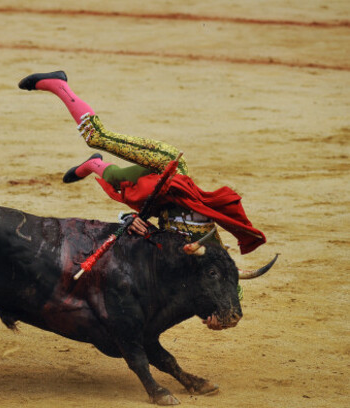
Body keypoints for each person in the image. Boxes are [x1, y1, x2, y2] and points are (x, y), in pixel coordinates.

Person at [19, 71, 267, 308]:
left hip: (154, 192)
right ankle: (59, 84)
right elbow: (233, 289)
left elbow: (147, 233)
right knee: (96, 136)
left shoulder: (176, 256)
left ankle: (92, 164)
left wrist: (128, 220)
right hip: (168, 164)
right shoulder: (205, 241)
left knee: (116, 177)